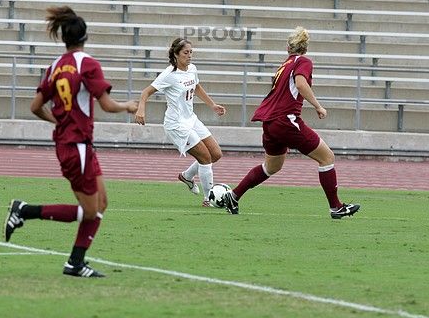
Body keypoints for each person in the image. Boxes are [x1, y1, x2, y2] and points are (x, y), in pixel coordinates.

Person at [3, 6, 138, 278]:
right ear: (85, 37)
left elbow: (35, 107)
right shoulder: (87, 63)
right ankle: (24, 211)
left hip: (74, 144)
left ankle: (75, 262)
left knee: (101, 203)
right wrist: (128, 106)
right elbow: (108, 105)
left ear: (64, 38)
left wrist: (59, 122)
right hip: (77, 146)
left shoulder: (55, 66)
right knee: (90, 211)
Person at [222, 27, 360, 219]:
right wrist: (318, 106)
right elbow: (301, 84)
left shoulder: (284, 65)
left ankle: (233, 196)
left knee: (272, 167)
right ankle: (336, 207)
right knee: (327, 157)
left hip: (269, 122)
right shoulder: (303, 61)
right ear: (305, 48)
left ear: (288, 46)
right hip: (286, 120)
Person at [135, 38, 226, 206]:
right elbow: (146, 92)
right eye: (186, 52)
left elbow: (196, 87)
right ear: (176, 55)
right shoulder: (169, 75)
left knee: (216, 154)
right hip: (176, 124)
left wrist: (212, 105)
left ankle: (186, 176)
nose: (189, 55)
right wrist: (141, 109)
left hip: (191, 119)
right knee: (205, 158)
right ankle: (208, 199)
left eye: (191, 52)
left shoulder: (192, 69)